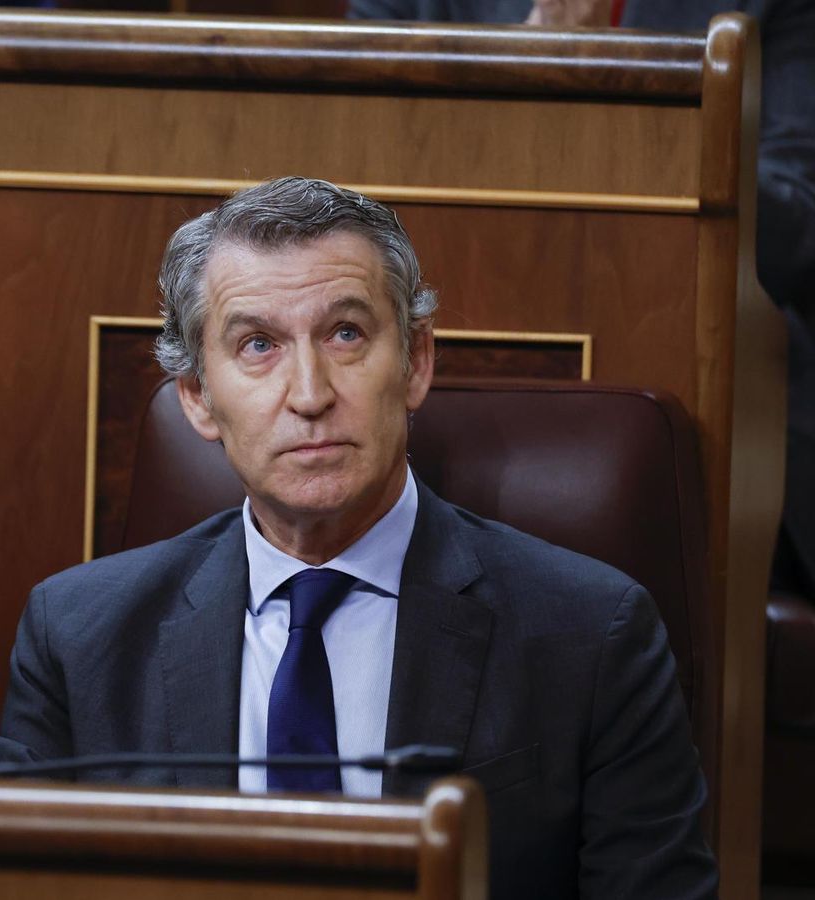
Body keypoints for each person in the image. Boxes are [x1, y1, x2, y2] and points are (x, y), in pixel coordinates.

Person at [0, 177, 717, 898]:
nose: (309, 394)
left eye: (346, 333)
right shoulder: (80, 639)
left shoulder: (589, 634)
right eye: (257, 344)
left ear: (415, 362)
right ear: (198, 398)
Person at [349, 0, 815, 610]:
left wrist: (609, 89)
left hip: (708, 400)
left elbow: (797, 228)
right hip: (429, 368)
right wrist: (530, 59)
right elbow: (348, 158)